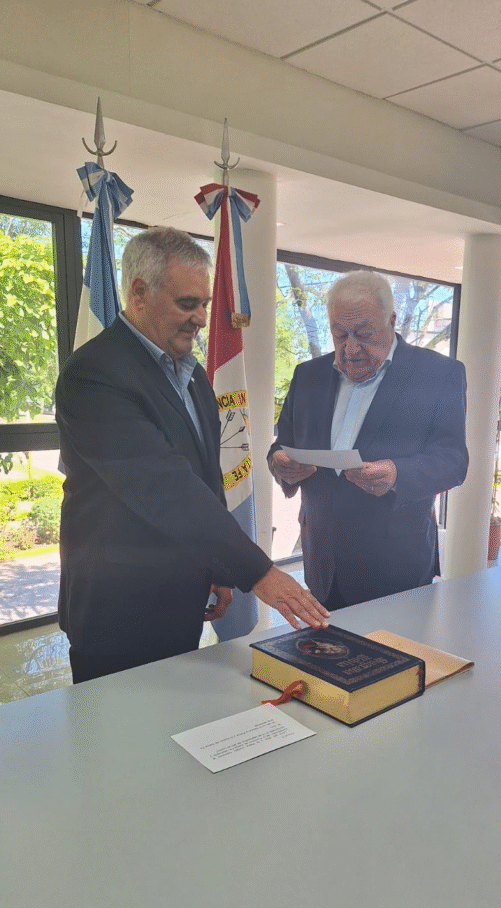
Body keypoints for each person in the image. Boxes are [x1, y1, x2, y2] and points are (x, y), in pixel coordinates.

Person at [56, 227, 328, 683]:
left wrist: (219, 569)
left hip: (182, 601)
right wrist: (258, 572)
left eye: (204, 304)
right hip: (115, 613)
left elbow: (206, 478)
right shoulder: (93, 375)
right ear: (139, 293)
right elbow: (165, 487)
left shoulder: (193, 374)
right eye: (187, 303)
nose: (201, 318)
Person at [268, 270, 468, 610]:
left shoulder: (438, 374)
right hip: (322, 567)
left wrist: (397, 474)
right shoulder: (308, 376)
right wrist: (279, 464)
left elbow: (453, 461)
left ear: (391, 322)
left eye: (364, 334)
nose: (350, 348)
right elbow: (280, 446)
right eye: (339, 334)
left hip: (397, 570)